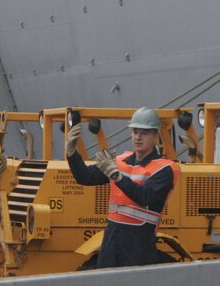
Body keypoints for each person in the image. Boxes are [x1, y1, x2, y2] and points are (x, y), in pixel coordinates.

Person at [66, 107, 179, 268]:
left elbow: (145, 196)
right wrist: (71, 152)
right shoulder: (119, 162)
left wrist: (118, 177)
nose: (138, 137)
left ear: (156, 136)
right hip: (112, 240)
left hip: (139, 243)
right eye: (135, 132)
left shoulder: (164, 169)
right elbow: (84, 177)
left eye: (144, 133)